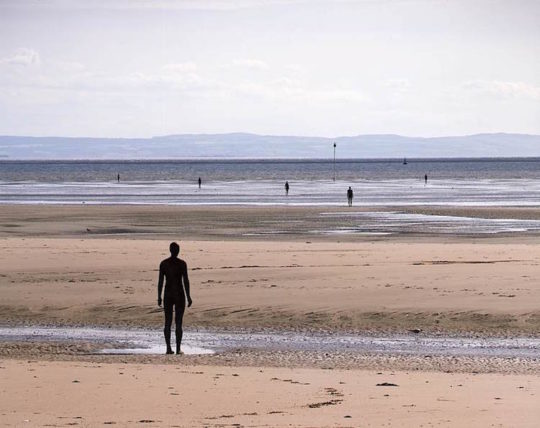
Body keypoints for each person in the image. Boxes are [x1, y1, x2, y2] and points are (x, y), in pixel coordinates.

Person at [157, 242, 193, 355]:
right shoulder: (182, 264)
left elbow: (160, 282)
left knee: (167, 322)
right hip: (179, 294)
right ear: (178, 251)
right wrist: (188, 296)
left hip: (167, 294)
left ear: (170, 250)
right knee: (178, 322)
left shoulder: (164, 264)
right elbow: (185, 281)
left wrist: (159, 296)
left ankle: (168, 348)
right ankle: (177, 349)